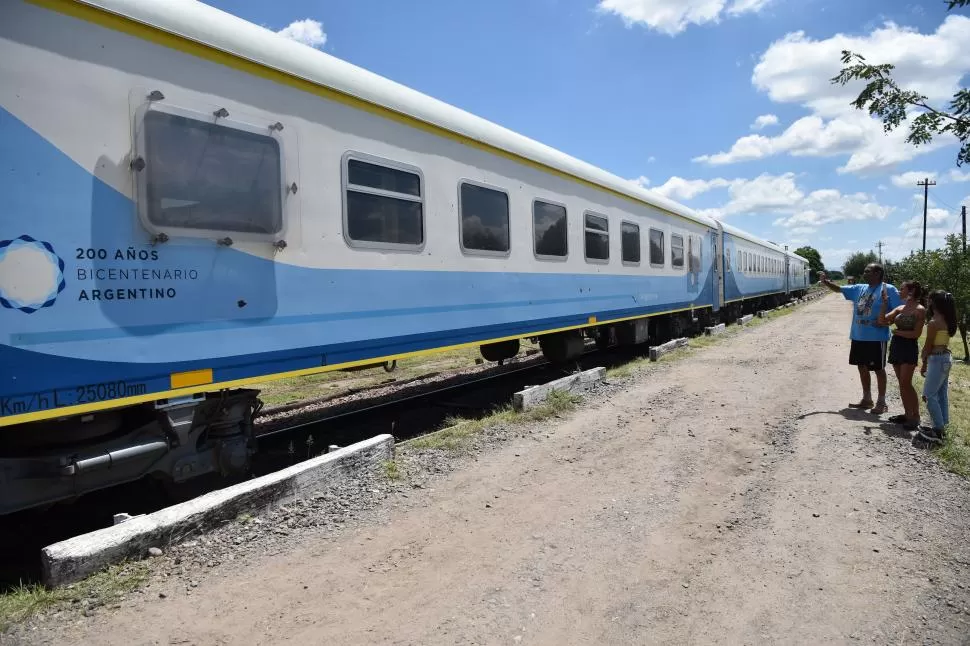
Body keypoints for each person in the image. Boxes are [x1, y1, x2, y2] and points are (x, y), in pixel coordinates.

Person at [819, 263, 902, 414]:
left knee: (878, 369)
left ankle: (881, 402)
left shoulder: (888, 289)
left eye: (867, 271)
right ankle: (867, 399)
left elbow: (900, 310)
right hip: (859, 336)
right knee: (862, 367)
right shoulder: (860, 288)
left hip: (876, 338)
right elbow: (839, 289)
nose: (864, 274)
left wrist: (888, 321)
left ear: (877, 273)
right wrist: (826, 282)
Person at [878, 280, 925, 430]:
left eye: (902, 289)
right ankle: (907, 414)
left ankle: (915, 416)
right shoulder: (899, 308)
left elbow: (915, 334)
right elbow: (882, 320)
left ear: (910, 292)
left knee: (906, 382)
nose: (899, 291)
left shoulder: (920, 309)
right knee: (901, 383)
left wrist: (897, 331)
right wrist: (884, 304)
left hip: (909, 347)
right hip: (897, 346)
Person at [916, 290, 957, 446]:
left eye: (930, 300)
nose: (928, 302)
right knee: (941, 394)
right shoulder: (948, 319)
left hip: (937, 360)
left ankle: (938, 431)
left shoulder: (933, 322)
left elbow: (928, 346)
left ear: (935, 303)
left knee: (928, 395)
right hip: (946, 357)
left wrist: (924, 362)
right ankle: (942, 427)